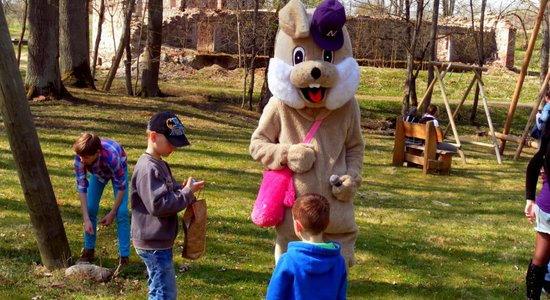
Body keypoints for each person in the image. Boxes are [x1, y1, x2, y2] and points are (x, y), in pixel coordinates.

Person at [131, 111, 205, 300]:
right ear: (154, 137)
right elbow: (159, 205)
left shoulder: (159, 164)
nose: (175, 147)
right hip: (153, 242)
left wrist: (185, 188)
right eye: (172, 142)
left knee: (158, 289)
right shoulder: (148, 169)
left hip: (158, 240)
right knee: (165, 293)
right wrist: (186, 194)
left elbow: (167, 191)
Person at [266, 193, 347, 300]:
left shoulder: (288, 260)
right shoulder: (339, 262)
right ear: (327, 224)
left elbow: (274, 296)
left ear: (297, 226)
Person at [73, 132, 130, 268]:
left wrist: (112, 213)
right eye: (80, 156)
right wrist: (86, 219)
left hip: (118, 170)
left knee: (121, 212)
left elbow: (121, 187)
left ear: (97, 152)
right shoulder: (80, 157)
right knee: (91, 208)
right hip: (98, 175)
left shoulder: (111, 158)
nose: (81, 160)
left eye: (85, 157)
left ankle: (124, 257)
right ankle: (89, 250)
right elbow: (82, 187)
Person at [525, 117, 550, 299]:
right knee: (540, 258)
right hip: (547, 206)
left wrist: (530, 199)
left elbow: (534, 163)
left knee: (540, 258)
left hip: (545, 205)